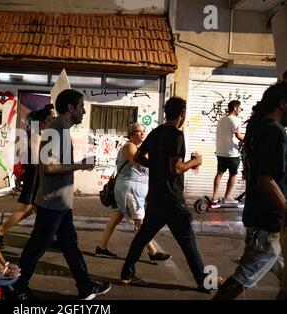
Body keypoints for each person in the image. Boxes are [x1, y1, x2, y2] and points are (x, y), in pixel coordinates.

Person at [11, 89, 111, 300]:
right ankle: (17, 288)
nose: (84, 111)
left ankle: (85, 287)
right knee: (36, 249)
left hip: (61, 203)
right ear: (70, 108)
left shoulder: (62, 130)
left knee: (69, 245)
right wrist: (80, 166)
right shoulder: (55, 130)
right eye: (81, 106)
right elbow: (49, 167)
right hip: (51, 204)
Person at [120, 97, 212, 293]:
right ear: (182, 114)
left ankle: (127, 274)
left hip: (155, 198)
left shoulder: (155, 132)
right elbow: (176, 168)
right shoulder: (177, 135)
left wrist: (155, 166)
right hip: (172, 200)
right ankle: (203, 280)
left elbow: (138, 158)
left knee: (143, 236)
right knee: (188, 242)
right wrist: (195, 161)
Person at [213, 81, 287, 300]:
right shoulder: (273, 131)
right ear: (283, 104)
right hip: (266, 222)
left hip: (266, 220)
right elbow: (266, 179)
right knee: (242, 279)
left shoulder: (262, 129)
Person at [96, 122, 171, 262]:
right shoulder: (130, 146)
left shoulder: (140, 148)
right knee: (141, 222)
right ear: (131, 134)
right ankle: (153, 252)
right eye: (138, 131)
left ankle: (101, 247)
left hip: (132, 189)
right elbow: (138, 161)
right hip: (129, 189)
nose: (142, 133)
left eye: (144, 131)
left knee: (115, 219)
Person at [0, 105, 56, 248]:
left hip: (39, 176)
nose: (52, 121)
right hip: (34, 176)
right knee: (27, 208)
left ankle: (47, 236)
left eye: (52, 118)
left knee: (38, 208)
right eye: (49, 119)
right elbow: (36, 159)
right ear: (41, 123)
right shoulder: (36, 136)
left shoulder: (43, 135)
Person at [212, 100, 245, 204]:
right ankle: (227, 197)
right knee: (233, 174)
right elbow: (239, 136)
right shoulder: (235, 120)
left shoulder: (221, 120)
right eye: (240, 108)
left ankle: (214, 197)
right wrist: (249, 139)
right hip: (232, 153)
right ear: (235, 108)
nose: (241, 110)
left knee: (219, 173)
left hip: (221, 152)